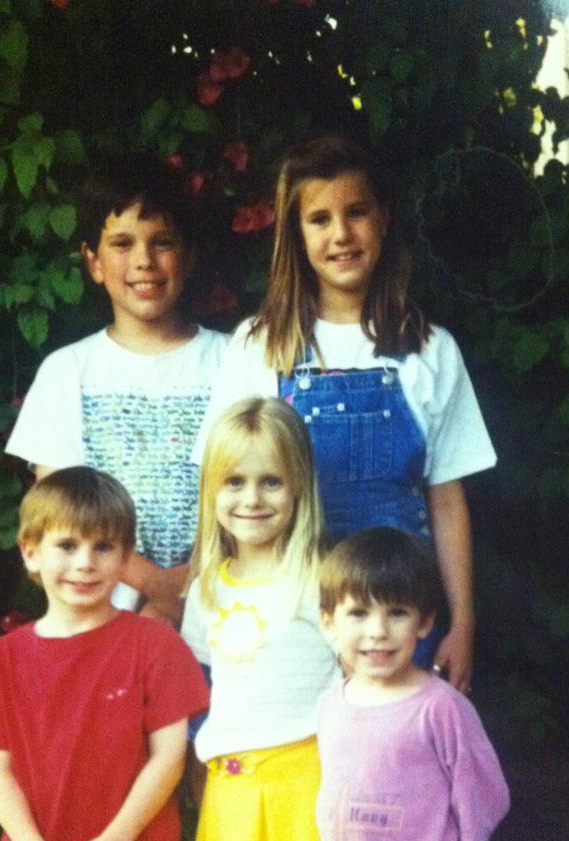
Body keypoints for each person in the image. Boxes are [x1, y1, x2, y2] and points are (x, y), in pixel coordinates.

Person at [195, 134, 496, 691]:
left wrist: (463, 623)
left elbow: (447, 497)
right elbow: (222, 485)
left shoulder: (429, 349)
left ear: (383, 219)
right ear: (295, 233)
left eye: (356, 212)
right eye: (319, 219)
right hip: (287, 617)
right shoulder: (258, 346)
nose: (341, 234)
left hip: (397, 618)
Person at [0, 467, 210, 841]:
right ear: (31, 552)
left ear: (126, 558)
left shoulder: (154, 645)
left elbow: (169, 757)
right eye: (67, 546)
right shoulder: (2, 660)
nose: (85, 563)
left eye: (103, 547)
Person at [6, 154, 229, 624]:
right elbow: (62, 513)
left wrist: (188, 588)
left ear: (189, 256)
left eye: (162, 242)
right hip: (102, 615)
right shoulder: (67, 372)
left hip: (222, 609)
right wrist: (157, 588)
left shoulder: (234, 361)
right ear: (93, 261)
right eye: (122, 244)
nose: (144, 261)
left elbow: (261, 484)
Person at [182, 397, 338, 841]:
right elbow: (206, 694)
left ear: (299, 487)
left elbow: (360, 683)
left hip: (305, 784)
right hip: (234, 789)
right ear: (212, 490)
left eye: (271, 481)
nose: (251, 499)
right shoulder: (206, 587)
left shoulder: (320, 579)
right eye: (235, 482)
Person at [316, 526, 510, 841]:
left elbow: (484, 791)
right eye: (358, 613)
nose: (378, 631)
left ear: (424, 622)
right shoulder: (329, 705)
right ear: (328, 621)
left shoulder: (441, 708)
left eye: (397, 613)